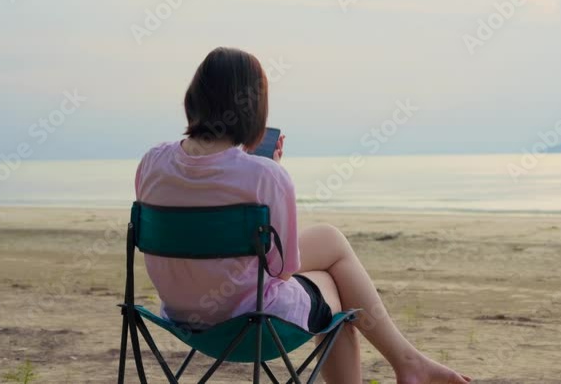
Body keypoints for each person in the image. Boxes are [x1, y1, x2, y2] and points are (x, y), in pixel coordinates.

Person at [135, 47, 470, 384]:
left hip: (182, 318)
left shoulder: (152, 162)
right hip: (252, 322)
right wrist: (269, 170)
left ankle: (410, 363)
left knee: (329, 239)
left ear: (194, 97)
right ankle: (408, 363)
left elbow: (196, 210)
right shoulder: (265, 176)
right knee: (336, 291)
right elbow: (281, 269)